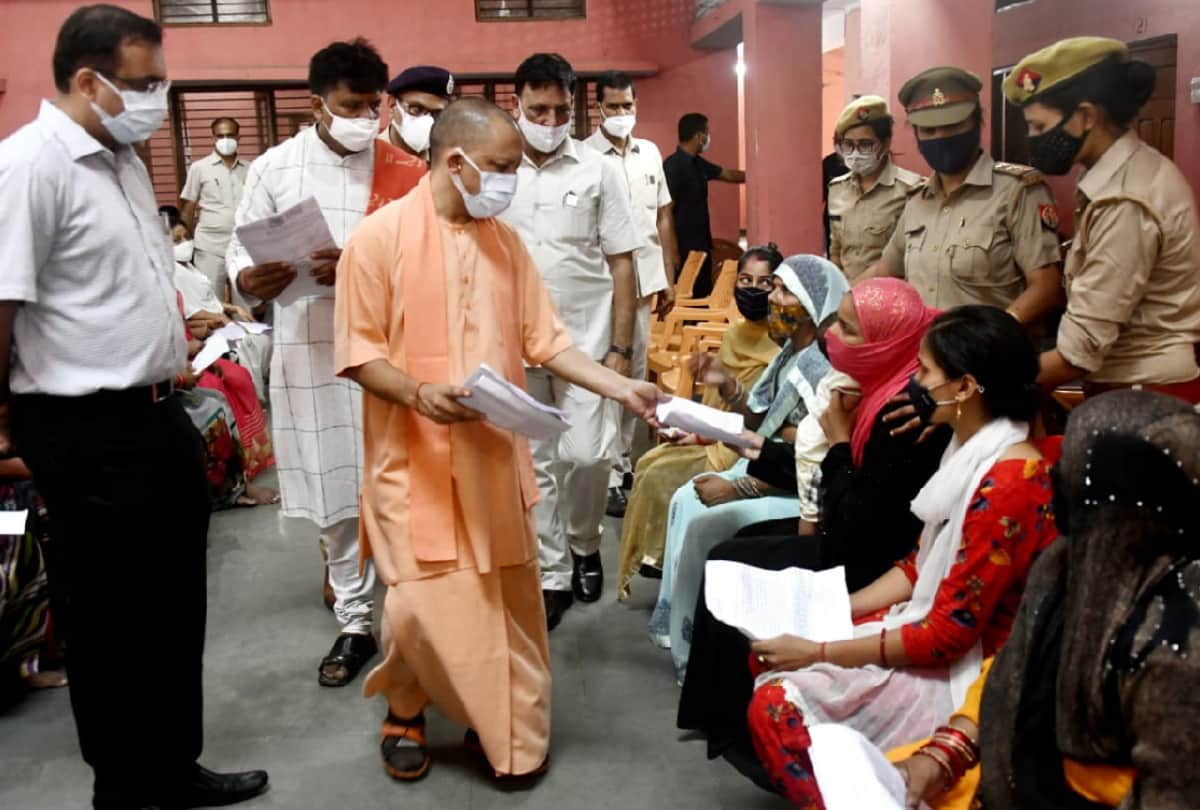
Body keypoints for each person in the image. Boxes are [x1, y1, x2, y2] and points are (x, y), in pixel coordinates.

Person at [334, 97, 663, 783]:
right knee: (419, 603)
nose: (513, 180)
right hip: (411, 463)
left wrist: (618, 385)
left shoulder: (505, 244)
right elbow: (360, 353)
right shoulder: (377, 239)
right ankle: (406, 703)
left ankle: (498, 721)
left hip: (491, 458)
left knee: (497, 602)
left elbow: (546, 341)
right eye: (503, 167)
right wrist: (420, 393)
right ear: (456, 163)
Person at [0, 6, 267, 808]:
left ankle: (170, 765)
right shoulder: (30, 167)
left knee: (172, 606)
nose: (159, 96)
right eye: (145, 83)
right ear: (89, 81)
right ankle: (122, 788)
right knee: (111, 622)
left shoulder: (117, 157)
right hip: (85, 427)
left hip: (158, 416)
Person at [739, 306, 1058, 807]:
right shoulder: (968, 447)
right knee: (767, 656)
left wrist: (819, 649)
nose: (915, 381)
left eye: (926, 371)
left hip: (976, 665)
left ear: (966, 387)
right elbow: (918, 565)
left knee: (777, 706)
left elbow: (949, 635)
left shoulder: (1009, 484)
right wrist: (834, 613)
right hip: (931, 623)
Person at [677, 279, 951, 781]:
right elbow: (820, 474)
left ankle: (737, 727)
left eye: (849, 328)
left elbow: (853, 523)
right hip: (843, 528)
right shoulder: (870, 387)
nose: (835, 338)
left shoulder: (901, 416)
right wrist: (754, 446)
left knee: (729, 558)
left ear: (887, 342)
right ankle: (720, 713)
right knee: (731, 551)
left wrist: (839, 441)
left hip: (866, 559)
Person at [892, 390, 1200, 810]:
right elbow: (1013, 663)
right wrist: (946, 751)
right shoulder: (1065, 562)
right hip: (1020, 775)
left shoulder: (1179, 641)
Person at [228, 38, 394, 687]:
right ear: (317, 102)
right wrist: (250, 280)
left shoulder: (400, 167)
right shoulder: (276, 167)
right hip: (308, 343)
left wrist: (357, 264)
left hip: (386, 345)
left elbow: (425, 254)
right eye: (352, 105)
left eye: (372, 105)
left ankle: (410, 613)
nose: (365, 117)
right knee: (335, 490)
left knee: (393, 484)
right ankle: (354, 621)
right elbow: (238, 257)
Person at [649, 256, 849, 676]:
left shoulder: (820, 369)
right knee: (686, 499)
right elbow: (762, 420)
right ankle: (680, 633)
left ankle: (701, 656)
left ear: (813, 305)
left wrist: (738, 489)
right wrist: (725, 383)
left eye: (781, 290)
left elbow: (816, 464)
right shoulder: (792, 354)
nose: (771, 299)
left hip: (794, 490)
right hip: (771, 467)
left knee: (704, 518)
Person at [497, 53, 642, 628]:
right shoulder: (496, 169)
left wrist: (621, 349)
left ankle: (585, 542)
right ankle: (554, 572)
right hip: (514, 346)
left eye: (561, 109)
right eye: (539, 109)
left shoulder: (597, 169)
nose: (551, 119)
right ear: (517, 106)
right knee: (534, 465)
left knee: (588, 455)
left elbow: (623, 262)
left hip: (587, 345)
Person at [1002, 37, 1200, 403]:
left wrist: (983, 386)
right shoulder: (1121, 174)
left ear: (1086, 116)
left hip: (1143, 396)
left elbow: (1079, 352)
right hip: (1129, 387)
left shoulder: (1125, 197)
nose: (1032, 139)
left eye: (1039, 126)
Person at [615, 245, 783, 600]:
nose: (753, 289)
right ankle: (659, 557)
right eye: (745, 280)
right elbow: (713, 404)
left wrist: (712, 423)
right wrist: (693, 430)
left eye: (765, 283)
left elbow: (760, 417)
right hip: (718, 433)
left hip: (749, 446)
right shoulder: (736, 334)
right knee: (648, 462)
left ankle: (664, 555)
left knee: (661, 473)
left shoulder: (782, 346)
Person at [859, 67, 1063, 327]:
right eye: (929, 131)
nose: (941, 137)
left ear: (976, 123)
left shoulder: (1017, 192)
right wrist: (837, 301)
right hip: (927, 359)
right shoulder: (917, 201)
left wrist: (992, 337)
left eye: (952, 126)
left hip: (989, 360)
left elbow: (1047, 287)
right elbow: (885, 270)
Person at [584, 70, 682, 518]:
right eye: (614, 106)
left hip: (644, 285)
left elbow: (663, 217)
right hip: (601, 289)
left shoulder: (650, 154)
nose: (622, 114)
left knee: (634, 376)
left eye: (628, 106)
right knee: (603, 377)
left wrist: (668, 275)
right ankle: (600, 470)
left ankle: (621, 470)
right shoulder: (584, 156)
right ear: (599, 108)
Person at [163, 204, 271, 404]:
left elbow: (208, 298)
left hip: (220, 320)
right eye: (177, 241)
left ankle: (263, 390)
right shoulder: (172, 273)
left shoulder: (189, 267)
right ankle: (255, 399)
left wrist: (233, 308)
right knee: (247, 343)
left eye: (186, 237)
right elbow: (191, 312)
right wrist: (221, 318)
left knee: (266, 335)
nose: (185, 243)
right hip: (207, 329)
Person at [827, 95, 923, 281]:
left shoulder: (911, 189)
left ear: (886, 144)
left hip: (890, 299)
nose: (855, 153)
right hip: (847, 299)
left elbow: (912, 259)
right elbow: (836, 252)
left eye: (865, 145)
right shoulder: (837, 189)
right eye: (848, 145)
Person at [663, 112, 746, 298]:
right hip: (683, 248)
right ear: (699, 136)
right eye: (707, 132)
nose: (709, 138)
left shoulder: (698, 164)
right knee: (684, 294)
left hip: (701, 244)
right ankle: (685, 327)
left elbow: (727, 174)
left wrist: (757, 175)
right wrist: (673, 250)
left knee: (702, 292)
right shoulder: (672, 167)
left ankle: (700, 325)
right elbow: (666, 211)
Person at [179, 115, 248, 299]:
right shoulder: (199, 168)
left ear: (239, 137)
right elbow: (189, 206)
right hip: (209, 247)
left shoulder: (251, 168)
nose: (225, 140)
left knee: (245, 305)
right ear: (213, 138)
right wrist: (185, 241)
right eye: (220, 136)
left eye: (230, 135)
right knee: (211, 302)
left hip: (243, 247)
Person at [383, 64, 454, 161]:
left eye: (436, 113)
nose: (428, 121)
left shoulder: (449, 162)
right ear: (392, 104)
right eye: (417, 109)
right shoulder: (369, 156)